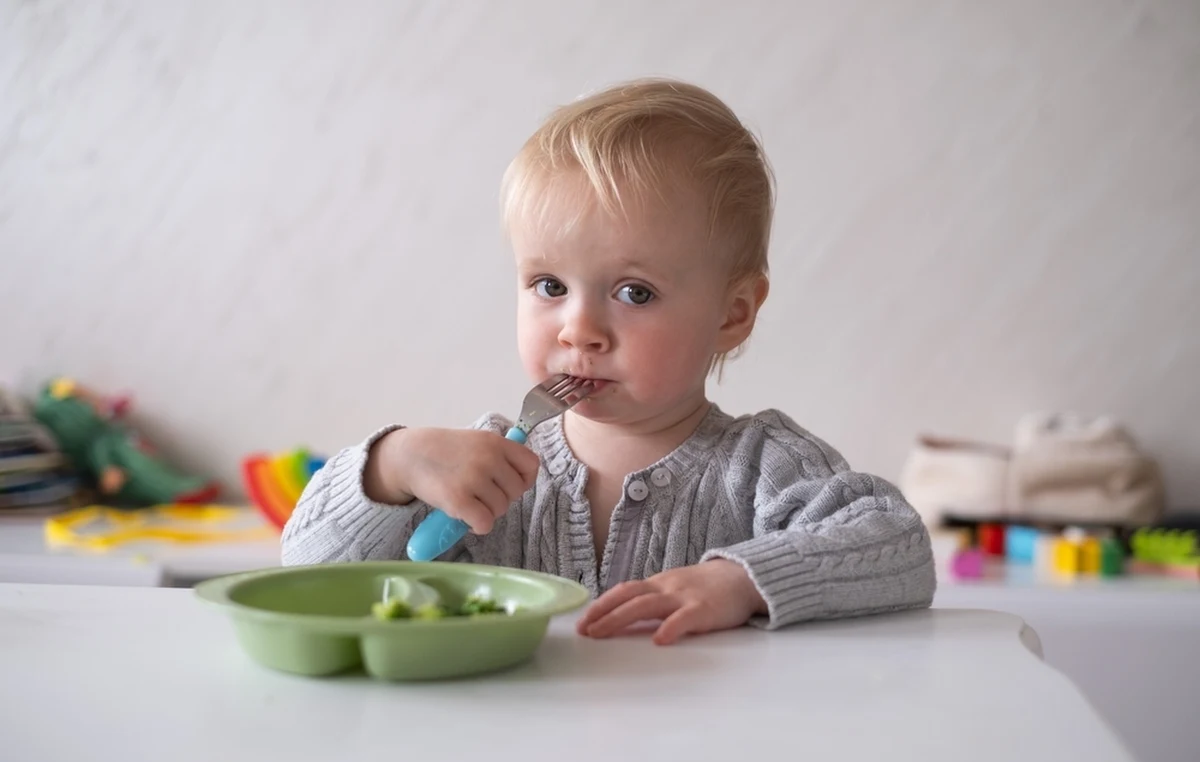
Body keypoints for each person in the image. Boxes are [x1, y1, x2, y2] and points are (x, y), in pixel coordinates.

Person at [282, 78, 936, 645]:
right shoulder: (483, 469)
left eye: (635, 292)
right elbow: (303, 573)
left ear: (732, 313)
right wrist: (390, 468)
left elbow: (898, 548)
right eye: (549, 286)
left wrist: (740, 581)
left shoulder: (761, 466)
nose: (580, 329)